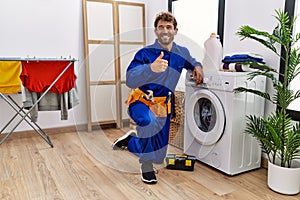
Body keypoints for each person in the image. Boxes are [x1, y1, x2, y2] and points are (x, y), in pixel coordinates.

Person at [112, 11, 203, 184]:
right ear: (156, 31)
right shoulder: (145, 53)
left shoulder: (181, 53)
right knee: (148, 121)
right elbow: (130, 79)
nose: (165, 30)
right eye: (161, 27)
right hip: (141, 102)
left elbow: (192, 61)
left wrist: (198, 67)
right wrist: (150, 69)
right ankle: (146, 166)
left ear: (175, 31)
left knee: (159, 157)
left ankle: (131, 140)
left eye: (169, 27)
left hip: (163, 107)